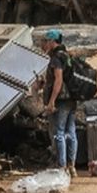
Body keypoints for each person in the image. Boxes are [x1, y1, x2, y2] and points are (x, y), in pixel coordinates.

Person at [38, 29, 80, 183]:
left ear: (52, 41)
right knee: (71, 132)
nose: (43, 44)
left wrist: (51, 101)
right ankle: (72, 166)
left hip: (61, 101)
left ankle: (62, 167)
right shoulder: (67, 55)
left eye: (45, 41)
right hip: (72, 100)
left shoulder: (56, 58)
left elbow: (58, 81)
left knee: (59, 132)